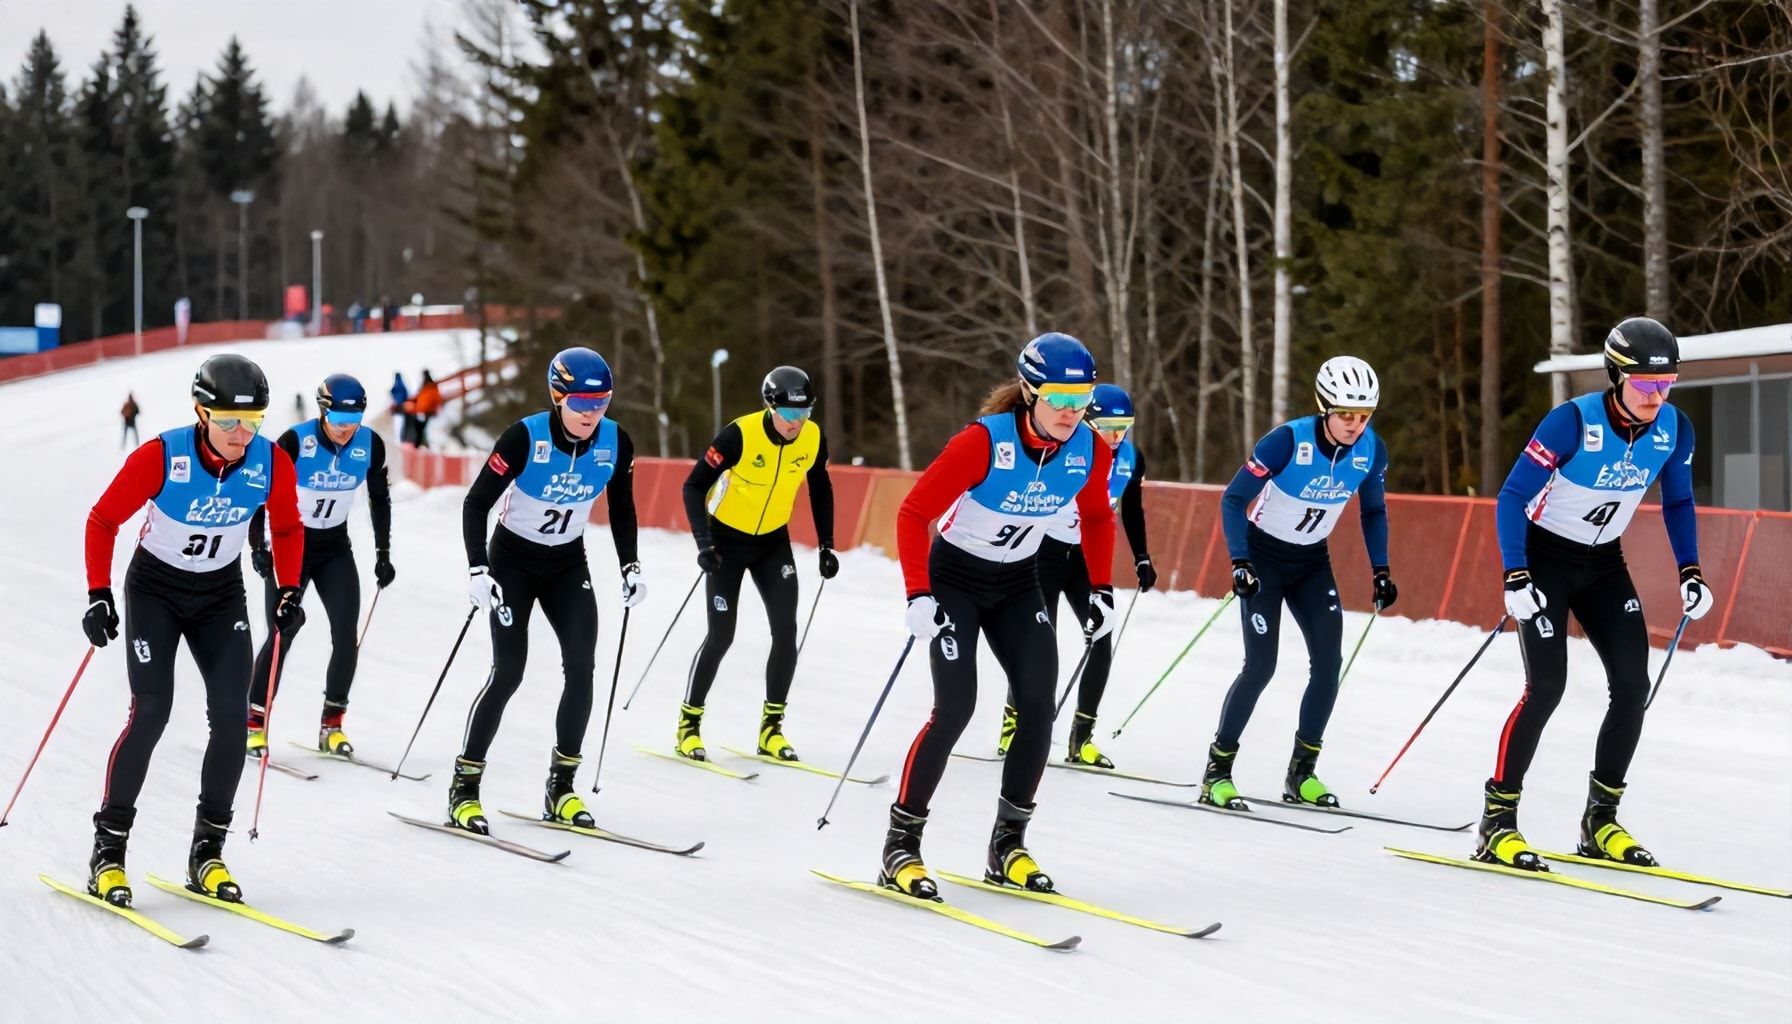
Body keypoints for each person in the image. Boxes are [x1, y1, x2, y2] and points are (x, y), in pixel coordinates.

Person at [882, 333, 1118, 900]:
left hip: (1018, 583)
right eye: (1058, 396)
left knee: (1039, 706)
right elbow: (914, 513)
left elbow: (1097, 518)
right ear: (1031, 390)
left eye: (1080, 397)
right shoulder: (983, 442)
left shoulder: (1090, 448)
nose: (1070, 410)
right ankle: (901, 847)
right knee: (956, 708)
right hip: (954, 582)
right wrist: (918, 594)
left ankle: (1007, 845)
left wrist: (1102, 588)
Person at [1475, 316, 1707, 870]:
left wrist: (1691, 572)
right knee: (1547, 686)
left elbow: (1677, 503)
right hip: (1544, 561)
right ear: (1616, 375)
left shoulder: (1675, 429)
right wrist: (1515, 574)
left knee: (1632, 686)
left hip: (1604, 566)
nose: (1657, 396)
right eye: (1647, 384)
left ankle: (1599, 821)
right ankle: (1497, 823)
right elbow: (1511, 497)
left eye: (1667, 384)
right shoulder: (1570, 423)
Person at [81, 354, 305, 906]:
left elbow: (288, 525)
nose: (240, 435)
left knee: (232, 720)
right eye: (229, 421)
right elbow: (102, 520)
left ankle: (207, 853)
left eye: (251, 423)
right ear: (201, 412)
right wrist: (98, 594)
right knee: (152, 710)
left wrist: (290, 588)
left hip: (219, 595)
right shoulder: (161, 456)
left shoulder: (271, 463)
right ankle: (107, 853)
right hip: (154, 591)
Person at [446, 347, 645, 834]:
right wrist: (478, 569)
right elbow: (476, 504)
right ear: (558, 397)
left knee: (582, 669)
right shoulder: (525, 436)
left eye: (600, 404)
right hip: (511, 564)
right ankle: (464, 790)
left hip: (566, 565)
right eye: (580, 404)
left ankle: (562, 789)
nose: (590, 415)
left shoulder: (616, 441)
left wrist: (631, 565)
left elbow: (622, 509)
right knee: (508, 672)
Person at [1200, 356, 1395, 811]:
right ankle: (1217, 772)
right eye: (1345, 414)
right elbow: (1233, 500)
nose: (1354, 425)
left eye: (1363, 416)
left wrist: (1381, 569)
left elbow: (1373, 511)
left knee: (1329, 666)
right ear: (1324, 407)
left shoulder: (1372, 450)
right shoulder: (1286, 442)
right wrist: (1240, 562)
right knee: (1261, 666)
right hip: (1264, 561)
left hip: (1312, 563)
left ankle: (1301, 772)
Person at [675, 366, 837, 763]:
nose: (798, 424)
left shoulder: (813, 438)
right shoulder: (738, 434)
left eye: (806, 414)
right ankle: (689, 725)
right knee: (721, 636)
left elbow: (820, 486)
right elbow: (693, 485)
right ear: (771, 406)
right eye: (791, 415)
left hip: (772, 544)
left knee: (786, 632)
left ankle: (771, 729)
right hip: (726, 543)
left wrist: (827, 545)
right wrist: (704, 542)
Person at [996, 382, 1155, 769]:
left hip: (1084, 562)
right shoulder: (1068, 449)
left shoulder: (1130, 457)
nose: (1116, 437)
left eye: (1125, 426)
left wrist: (1142, 557)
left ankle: (1081, 739)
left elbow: (1130, 508)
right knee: (1038, 643)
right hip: (1044, 553)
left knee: (1101, 639)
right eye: (1108, 427)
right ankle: (1013, 727)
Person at [244, 374, 395, 758]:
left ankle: (332, 724)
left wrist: (383, 553)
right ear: (323, 412)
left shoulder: (369, 444)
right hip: (290, 547)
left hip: (334, 547)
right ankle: (254, 724)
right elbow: (260, 493)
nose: (347, 430)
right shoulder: (297, 441)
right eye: (339, 421)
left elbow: (380, 499)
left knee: (347, 634)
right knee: (282, 633)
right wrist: (258, 545)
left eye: (355, 420)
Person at [412, 370, 442, 449]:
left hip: (428, 412)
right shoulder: (427, 386)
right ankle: (422, 444)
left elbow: (434, 399)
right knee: (421, 429)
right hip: (424, 412)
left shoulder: (429, 387)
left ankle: (423, 445)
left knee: (424, 430)